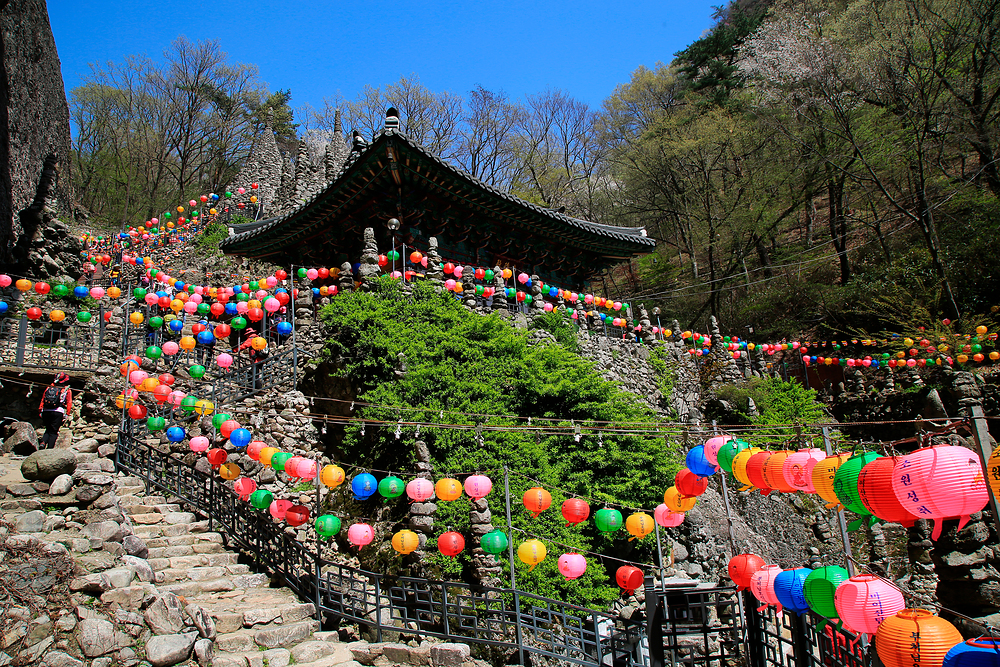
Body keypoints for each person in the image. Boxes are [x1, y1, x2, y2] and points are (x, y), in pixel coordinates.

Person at [39, 373, 72, 449]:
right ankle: (50, 449)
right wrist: (67, 413)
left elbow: (43, 399)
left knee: (48, 429)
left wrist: (40, 410)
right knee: (54, 432)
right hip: (58, 411)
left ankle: (43, 442)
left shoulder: (49, 387)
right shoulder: (66, 389)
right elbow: (69, 402)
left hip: (46, 411)